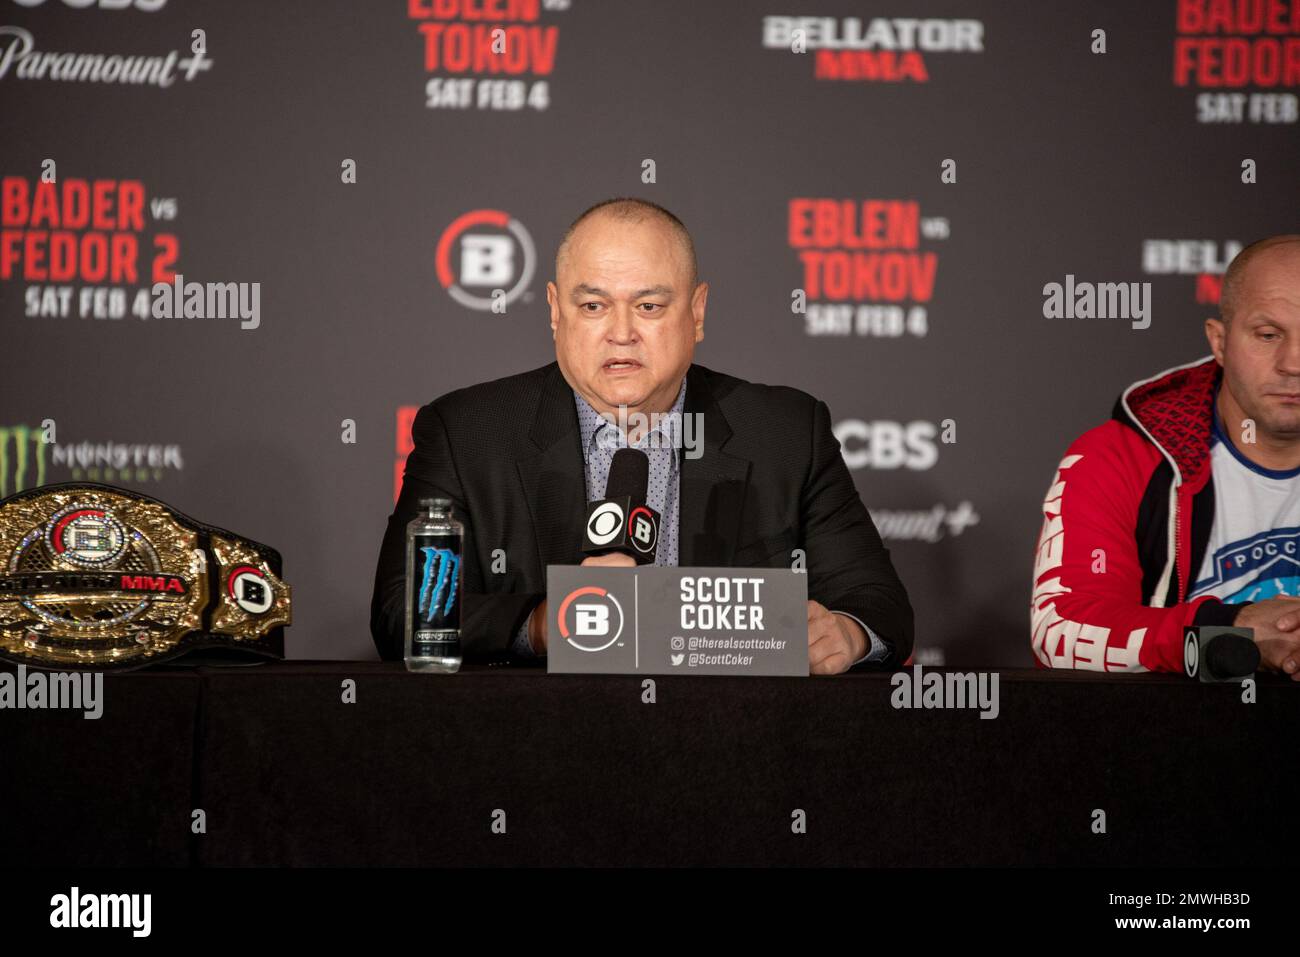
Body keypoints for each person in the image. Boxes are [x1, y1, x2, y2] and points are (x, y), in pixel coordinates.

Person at [371, 197, 912, 673]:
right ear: (556, 312)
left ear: (696, 313)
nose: (622, 332)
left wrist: (848, 633)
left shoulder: (787, 433)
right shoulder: (468, 431)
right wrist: (550, 622)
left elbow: (877, 603)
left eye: (649, 306)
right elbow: (404, 613)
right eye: (593, 306)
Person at [1031, 234, 1300, 676]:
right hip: (1176, 739)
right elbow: (1060, 628)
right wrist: (1228, 629)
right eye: (1268, 334)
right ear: (1219, 341)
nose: (1292, 362)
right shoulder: (1123, 456)